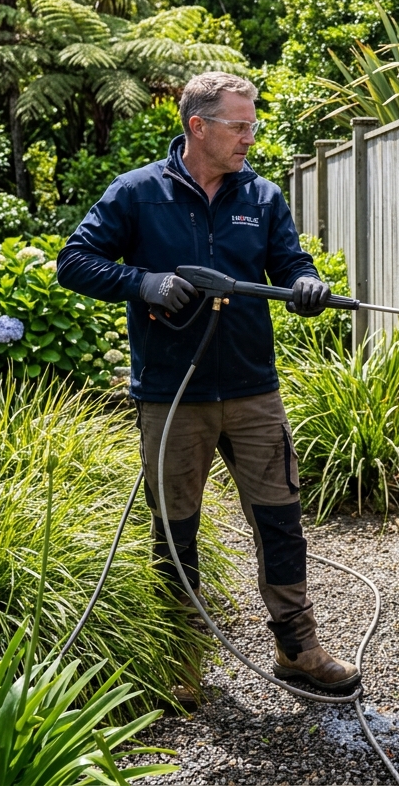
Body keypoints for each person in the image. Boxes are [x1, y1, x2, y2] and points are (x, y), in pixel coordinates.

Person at [57, 71, 359, 695]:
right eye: (240, 125)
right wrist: (141, 283)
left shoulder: (263, 196)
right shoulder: (138, 194)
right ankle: (181, 658)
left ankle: (298, 649)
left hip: (252, 389)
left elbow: (291, 263)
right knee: (175, 528)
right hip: (172, 395)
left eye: (253, 124)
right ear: (198, 126)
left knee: (279, 520)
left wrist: (307, 286)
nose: (251, 135)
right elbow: (74, 261)